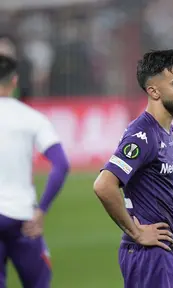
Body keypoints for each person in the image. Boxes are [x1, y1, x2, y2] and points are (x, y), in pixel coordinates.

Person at [93, 49, 173, 288]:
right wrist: (137, 233)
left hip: (169, 250)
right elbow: (104, 185)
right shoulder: (143, 135)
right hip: (150, 256)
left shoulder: (170, 133)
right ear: (154, 91)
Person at [0, 52, 69, 287]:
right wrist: (42, 210)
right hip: (23, 219)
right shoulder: (31, 118)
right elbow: (61, 164)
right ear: (15, 80)